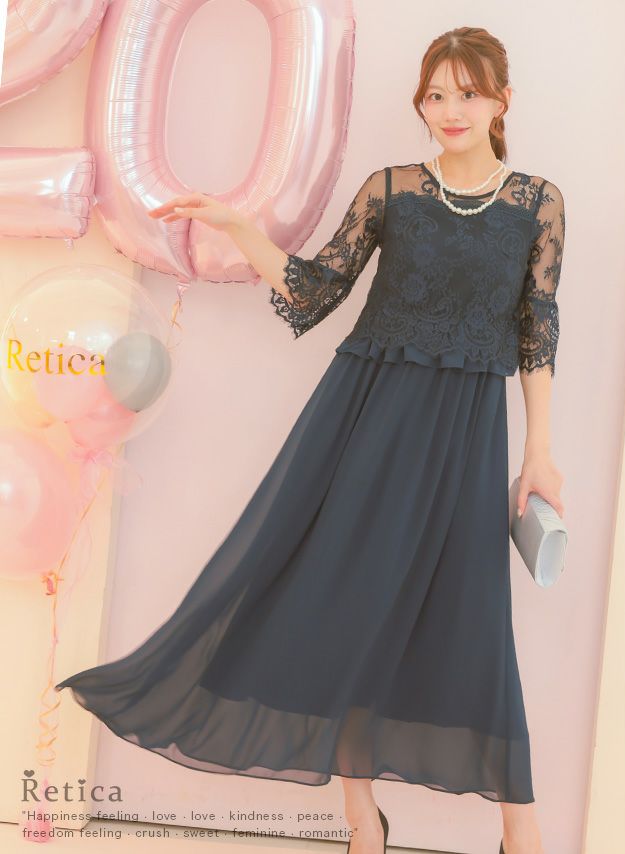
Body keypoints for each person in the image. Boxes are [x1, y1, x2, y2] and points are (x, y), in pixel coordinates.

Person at [55, 26, 564, 854]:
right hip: (366, 423)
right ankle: (362, 817)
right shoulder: (392, 191)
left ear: (502, 100)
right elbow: (312, 290)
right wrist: (238, 224)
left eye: (468, 93)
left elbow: (537, 330)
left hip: (466, 435)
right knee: (347, 599)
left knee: (473, 618)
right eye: (436, 95)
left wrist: (539, 452)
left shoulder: (537, 203)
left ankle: (521, 827)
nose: (450, 109)